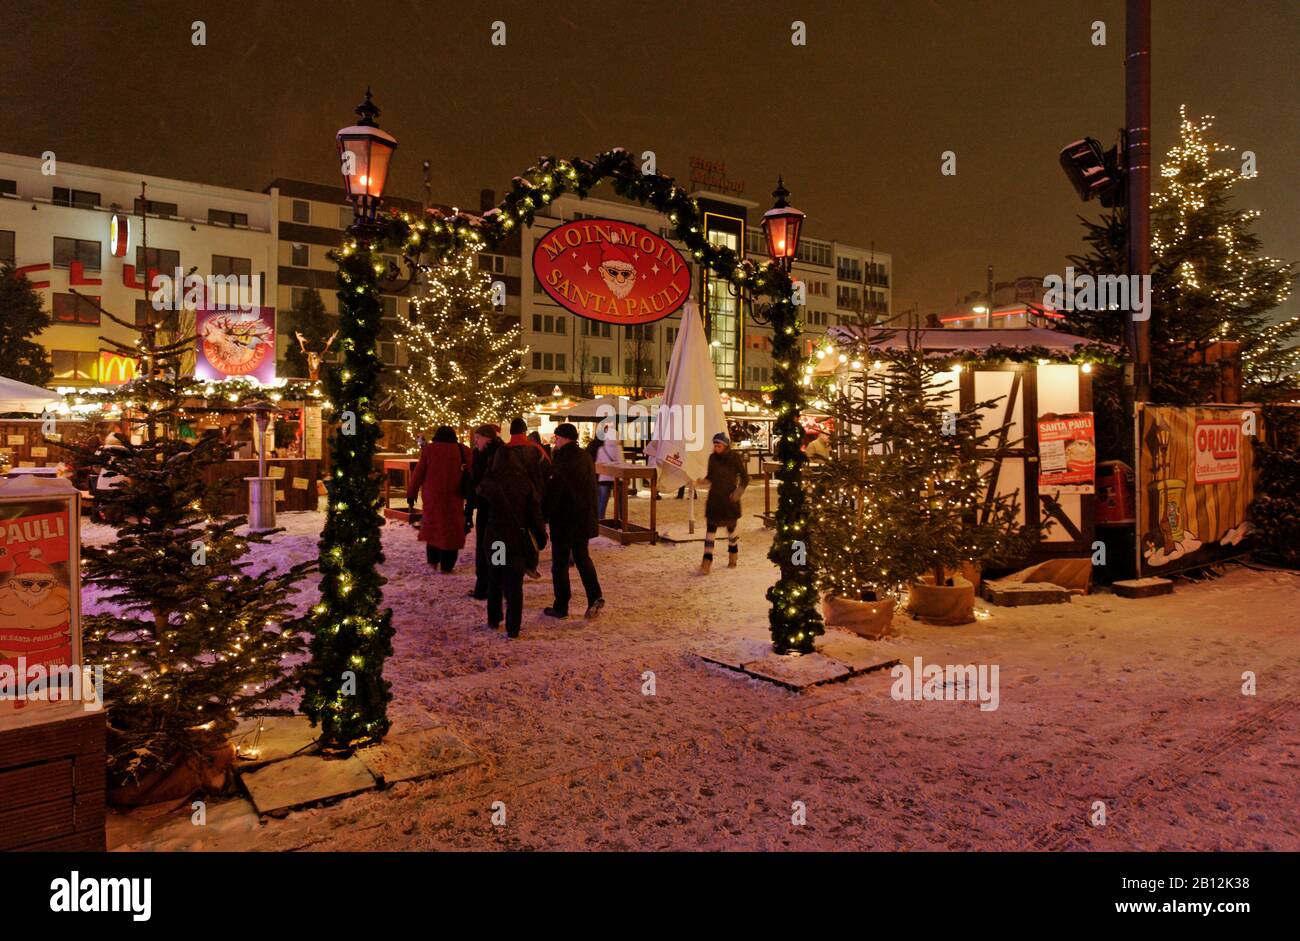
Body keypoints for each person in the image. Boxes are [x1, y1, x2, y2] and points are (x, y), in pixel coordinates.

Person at [476, 446, 547, 638]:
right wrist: (541, 538)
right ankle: (513, 628)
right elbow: (535, 514)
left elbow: (480, 507)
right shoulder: (524, 482)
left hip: (497, 540)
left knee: (495, 579)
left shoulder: (490, 481)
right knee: (515, 584)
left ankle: (494, 617)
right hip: (517, 541)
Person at [542, 422, 604, 620]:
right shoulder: (585, 456)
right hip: (583, 517)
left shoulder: (562, 459)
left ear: (565, 438)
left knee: (559, 563)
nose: (555, 440)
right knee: (582, 557)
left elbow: (555, 490)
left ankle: (561, 605)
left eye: (557, 437)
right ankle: (595, 596)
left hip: (564, 518)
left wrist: (544, 514)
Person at [406, 426, 472, 572]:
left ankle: (433, 561)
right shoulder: (463, 450)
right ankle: (447, 565)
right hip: (455, 496)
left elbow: (418, 473)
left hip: (432, 497)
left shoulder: (429, 450)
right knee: (451, 530)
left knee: (433, 528)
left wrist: (411, 494)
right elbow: (472, 472)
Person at [697, 432, 748, 573]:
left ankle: (733, 555)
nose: (716, 448)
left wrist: (738, 492)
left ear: (725, 446)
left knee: (731, 531)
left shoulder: (734, 458)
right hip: (715, 499)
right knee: (710, 531)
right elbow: (711, 476)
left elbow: (745, 478)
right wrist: (703, 481)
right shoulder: (712, 458)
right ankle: (706, 562)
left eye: (718, 445)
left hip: (729, 499)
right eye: (714, 445)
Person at [467, 424, 503, 600]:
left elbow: (479, 481)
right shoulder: (496, 452)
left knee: (489, 547)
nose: (475, 442)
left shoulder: (493, 455)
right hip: (492, 508)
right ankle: (492, 586)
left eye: (477, 438)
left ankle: (489, 587)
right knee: (492, 547)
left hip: (492, 508)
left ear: (487, 438)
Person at [500, 417, 550, 495]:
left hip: (510, 493)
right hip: (533, 492)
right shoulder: (536, 448)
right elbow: (547, 467)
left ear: (511, 432)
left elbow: (496, 472)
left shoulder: (502, 450)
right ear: (525, 431)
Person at [592, 421, 623, 521]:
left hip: (604, 478)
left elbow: (597, 463)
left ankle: (600, 519)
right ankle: (621, 519)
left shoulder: (601, 449)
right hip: (617, 478)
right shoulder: (618, 448)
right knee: (620, 501)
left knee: (602, 500)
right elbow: (621, 463)